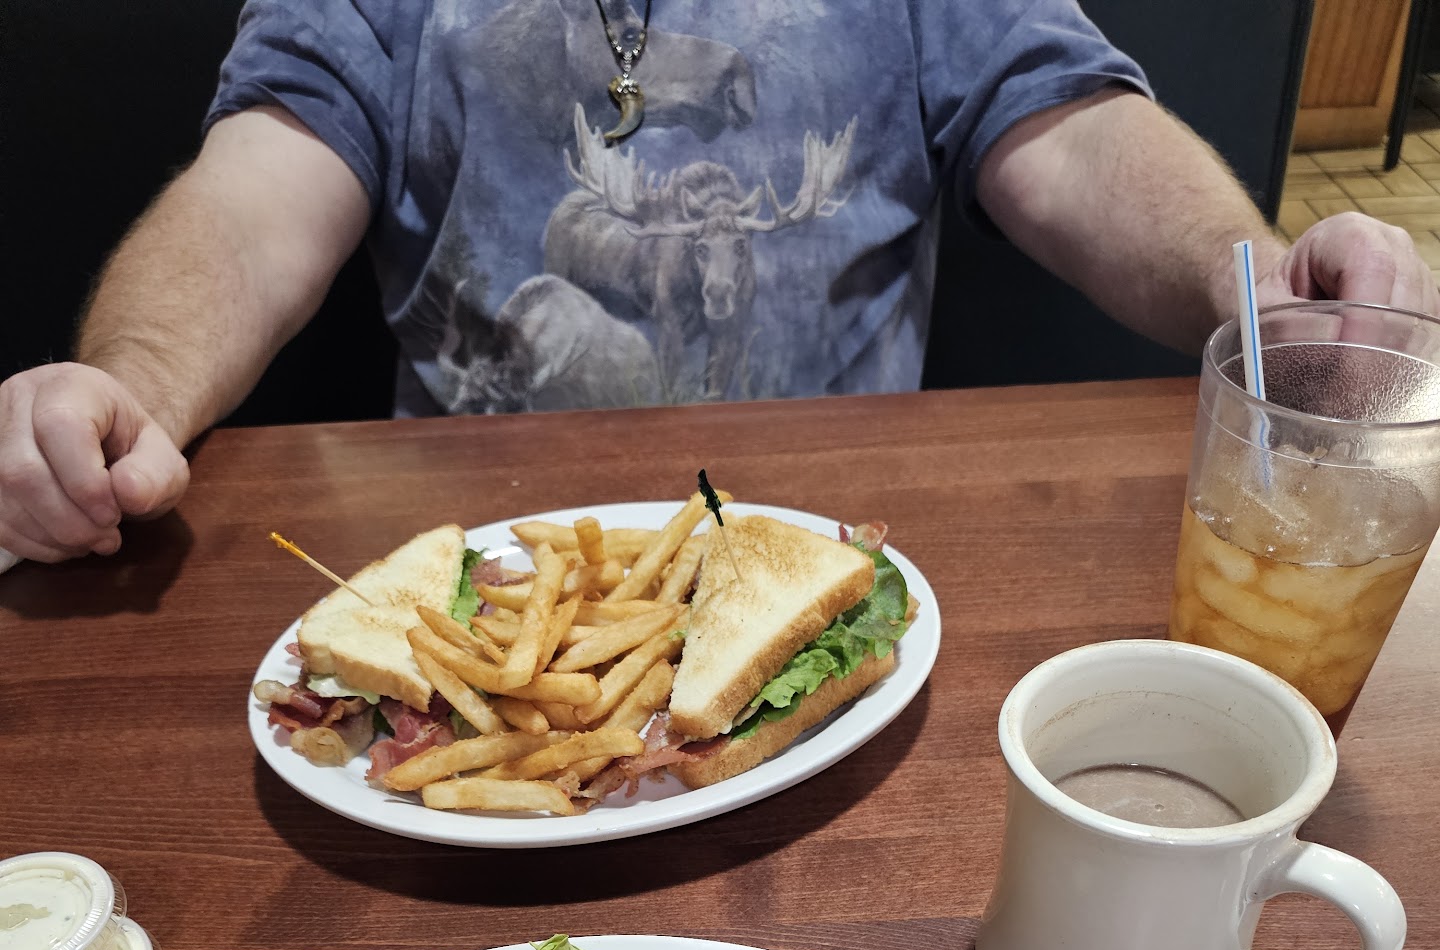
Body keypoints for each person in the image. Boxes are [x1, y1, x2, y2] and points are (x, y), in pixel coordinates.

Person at [1, 0, 1436, 566]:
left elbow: (1071, 137)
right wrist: (130, 388)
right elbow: (253, 205)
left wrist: (1261, 292)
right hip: (488, 585)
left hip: (841, 570)